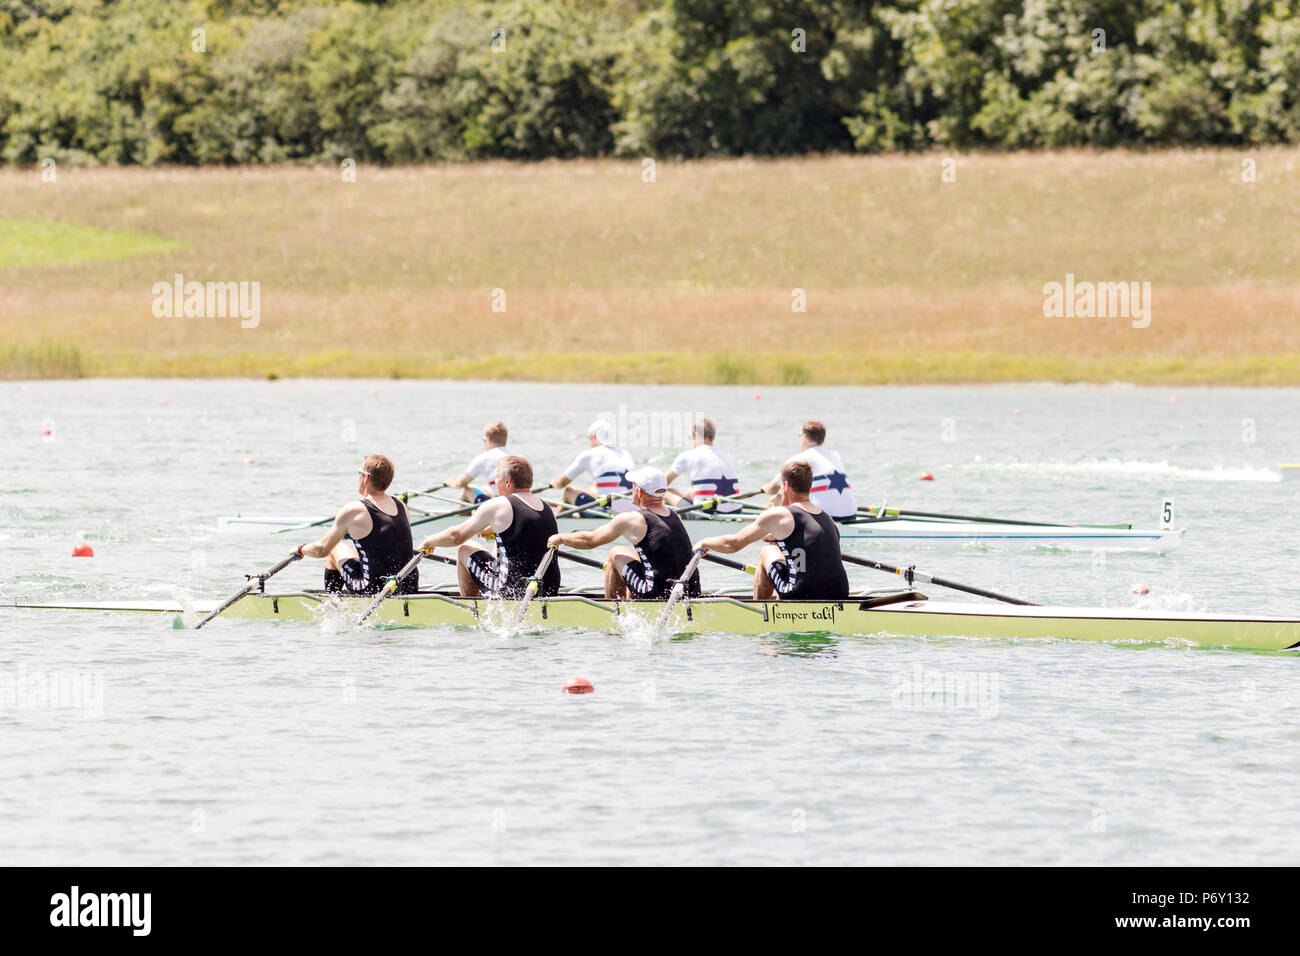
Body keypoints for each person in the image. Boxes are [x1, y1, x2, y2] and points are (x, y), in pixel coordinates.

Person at [701, 461, 848, 601]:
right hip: (840, 593)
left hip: (801, 594)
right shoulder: (828, 518)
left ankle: (759, 614)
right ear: (809, 486)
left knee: (767, 552)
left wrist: (703, 543)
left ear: (786, 486)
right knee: (783, 554)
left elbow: (732, 544)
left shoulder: (779, 515)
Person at [418, 455, 560, 598]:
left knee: (465, 548)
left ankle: (472, 609)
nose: (494, 482)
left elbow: (456, 536)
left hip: (512, 590)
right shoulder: (547, 508)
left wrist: (428, 541)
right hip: (548, 588)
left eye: (496, 477)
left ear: (507, 481)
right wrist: (497, 531)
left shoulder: (498, 505)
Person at [548, 466, 700, 600]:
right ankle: (630, 599)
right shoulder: (675, 516)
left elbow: (590, 541)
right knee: (635, 553)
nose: (631, 489)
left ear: (639, 492)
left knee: (616, 553)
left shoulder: (632, 519)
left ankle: (614, 613)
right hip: (689, 590)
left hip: (656, 593)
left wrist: (561, 537)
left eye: (633, 486)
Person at [296, 454, 418, 595]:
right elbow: (385, 542)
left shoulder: (355, 510)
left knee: (335, 549)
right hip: (408, 586)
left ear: (365, 478)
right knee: (358, 553)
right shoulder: (401, 506)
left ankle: (333, 606)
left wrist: (300, 549)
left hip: (375, 589)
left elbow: (321, 550)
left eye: (359, 473)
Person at [761, 419, 857, 519]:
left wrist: (764, 489)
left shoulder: (799, 459)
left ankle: (778, 528)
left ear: (804, 437)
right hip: (851, 515)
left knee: (779, 497)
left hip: (825, 519)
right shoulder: (835, 456)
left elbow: (772, 488)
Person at [550, 419, 636, 513]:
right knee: (592, 488)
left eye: (589, 438)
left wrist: (552, 484)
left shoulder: (590, 454)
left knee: (569, 491)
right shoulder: (626, 454)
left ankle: (559, 524)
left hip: (609, 512)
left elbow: (561, 483)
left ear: (594, 437)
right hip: (632, 511)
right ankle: (579, 516)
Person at [664, 417, 742, 513]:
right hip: (736, 511)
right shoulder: (727, 455)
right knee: (690, 492)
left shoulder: (687, 456)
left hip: (705, 513)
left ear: (695, 435)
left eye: (690, 437)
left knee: (666, 492)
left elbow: (661, 484)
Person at [447, 421, 511, 502]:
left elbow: (461, 483)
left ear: (487, 440)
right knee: (486, 488)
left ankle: (465, 514)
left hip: (499, 504)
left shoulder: (483, 457)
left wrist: (451, 484)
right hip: (515, 502)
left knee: (467, 490)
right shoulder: (518, 457)